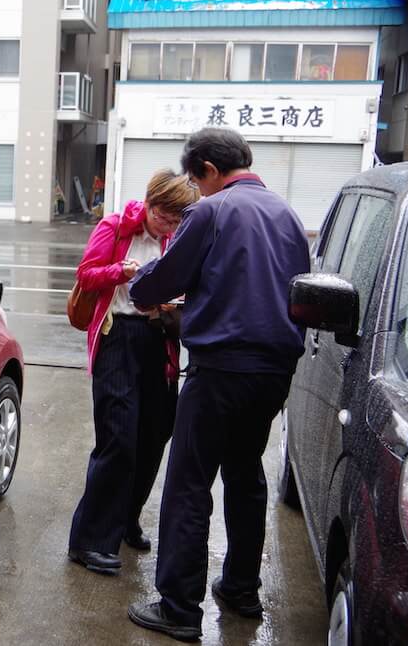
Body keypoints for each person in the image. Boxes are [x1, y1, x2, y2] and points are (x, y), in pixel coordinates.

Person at [125, 128, 311, 642]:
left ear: (208, 167)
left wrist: (141, 289)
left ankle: (180, 608)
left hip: (221, 368)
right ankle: (241, 589)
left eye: (195, 178)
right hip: (274, 372)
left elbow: (163, 279)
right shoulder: (287, 215)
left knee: (189, 482)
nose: (195, 190)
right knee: (247, 475)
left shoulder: (212, 211)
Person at [68, 169, 198, 575]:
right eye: (165, 217)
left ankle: (126, 520)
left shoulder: (175, 236)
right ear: (149, 202)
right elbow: (86, 274)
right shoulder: (114, 226)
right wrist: (120, 272)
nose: (170, 226)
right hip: (118, 336)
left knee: (155, 433)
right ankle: (89, 540)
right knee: (118, 438)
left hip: (158, 338)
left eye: (178, 221)